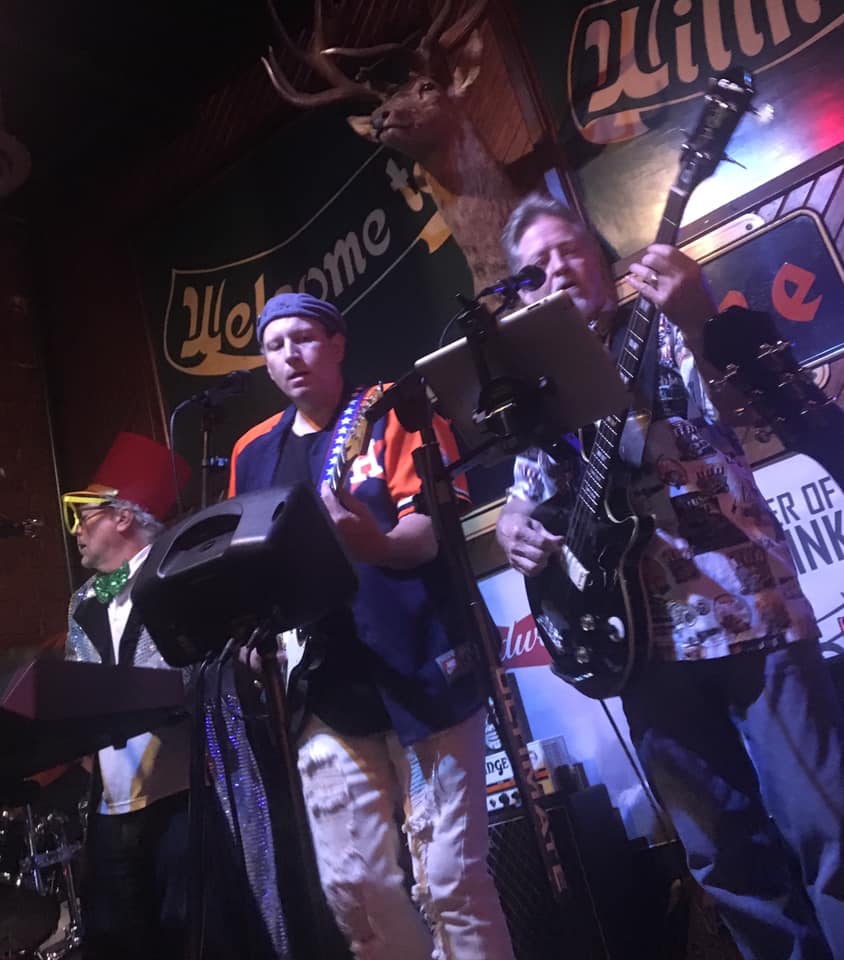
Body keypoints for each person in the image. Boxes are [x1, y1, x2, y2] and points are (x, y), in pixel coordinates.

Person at [494, 192, 844, 959]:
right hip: (639, 648)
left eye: (566, 253)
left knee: (828, 826)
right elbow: (526, 499)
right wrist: (511, 523)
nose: (552, 274)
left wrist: (696, 317)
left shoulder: (665, 329)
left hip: (749, 614)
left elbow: (743, 414)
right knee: (725, 861)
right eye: (531, 270)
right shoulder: (536, 397)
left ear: (602, 262)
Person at [228, 292, 515, 960]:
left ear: (336, 343)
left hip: (423, 664)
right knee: (352, 889)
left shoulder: (392, 408)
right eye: (274, 346)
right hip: (325, 685)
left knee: (451, 882)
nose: (289, 355)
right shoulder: (251, 452)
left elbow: (430, 533)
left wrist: (376, 545)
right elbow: (248, 564)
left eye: (303, 338)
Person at [63, 432, 192, 960]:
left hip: (181, 793)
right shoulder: (83, 603)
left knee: (189, 931)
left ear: (122, 517)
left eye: (85, 515)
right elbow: (78, 686)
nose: (75, 529)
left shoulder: (176, 573)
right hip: (113, 806)